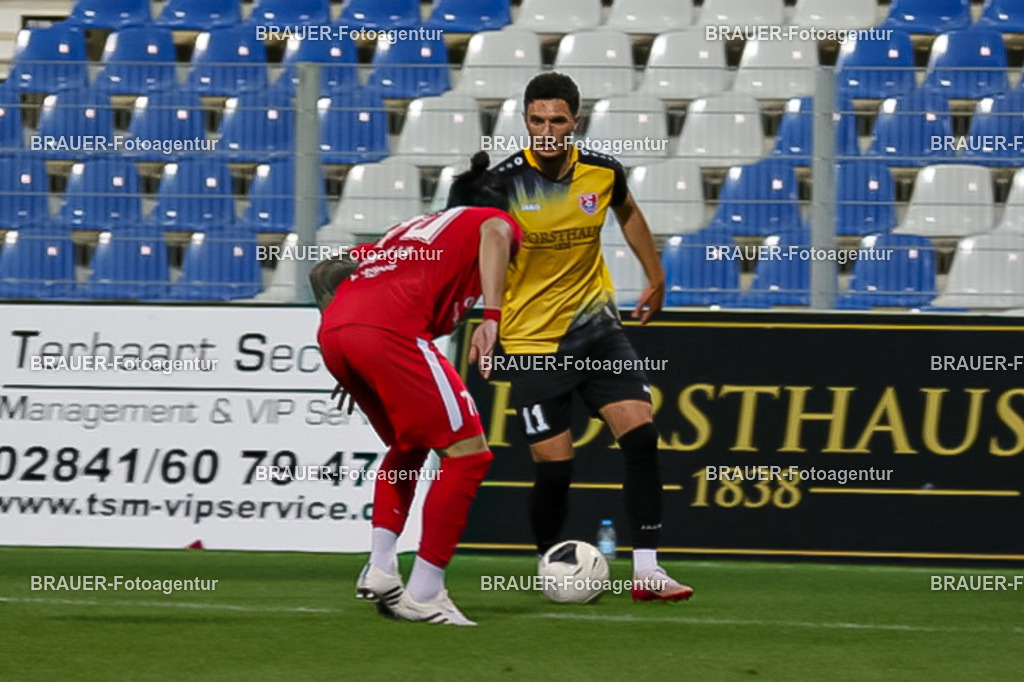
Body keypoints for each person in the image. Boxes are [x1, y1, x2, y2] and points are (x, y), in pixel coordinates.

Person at [491, 72, 693, 601]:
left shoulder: (603, 172)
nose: (547, 131)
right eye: (536, 121)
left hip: (597, 327)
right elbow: (478, 252)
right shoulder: (502, 184)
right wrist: (485, 319)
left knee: (642, 437)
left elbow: (627, 211)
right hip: (533, 341)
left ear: (573, 122)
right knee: (555, 467)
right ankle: (547, 561)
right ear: (526, 121)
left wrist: (656, 276)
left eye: (557, 121)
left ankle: (648, 570)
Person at [314, 152, 522, 626]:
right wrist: (493, 318)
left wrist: (346, 335)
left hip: (340, 333)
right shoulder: (489, 220)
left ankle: (382, 567)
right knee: (470, 454)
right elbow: (494, 232)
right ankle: (427, 592)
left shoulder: (407, 231)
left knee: (409, 445)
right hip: (391, 332)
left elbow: (324, 271)